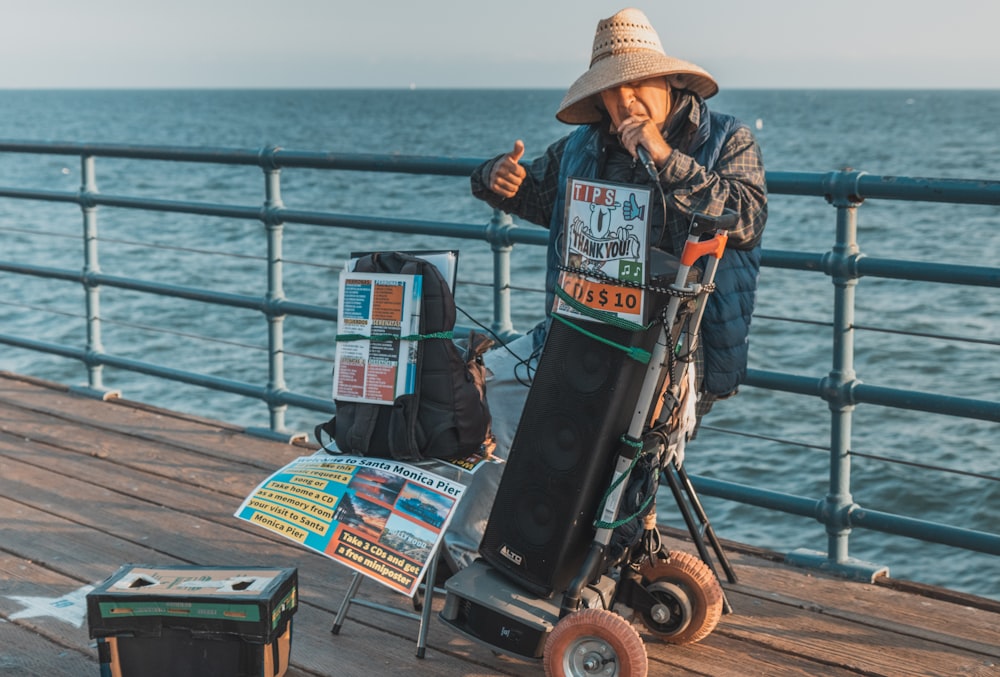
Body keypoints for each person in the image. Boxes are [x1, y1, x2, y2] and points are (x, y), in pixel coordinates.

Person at [444, 7, 767, 569]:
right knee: (488, 383)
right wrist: (495, 178)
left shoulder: (725, 138)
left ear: (667, 80)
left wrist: (667, 161)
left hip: (674, 349)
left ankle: (596, 558)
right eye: (613, 92)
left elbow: (745, 218)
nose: (627, 102)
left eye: (638, 83)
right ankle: (485, 546)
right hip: (579, 333)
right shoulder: (582, 146)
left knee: (613, 439)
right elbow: (535, 197)